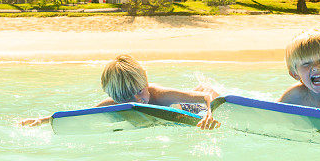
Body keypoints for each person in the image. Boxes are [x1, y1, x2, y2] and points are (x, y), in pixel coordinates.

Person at [20, 54, 220, 130]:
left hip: (193, 100)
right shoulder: (117, 102)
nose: (138, 99)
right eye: (126, 97)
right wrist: (43, 120)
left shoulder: (157, 94)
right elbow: (84, 113)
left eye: (140, 91)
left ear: (146, 81)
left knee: (207, 92)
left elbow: (206, 98)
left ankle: (203, 83)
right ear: (117, 97)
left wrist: (210, 114)